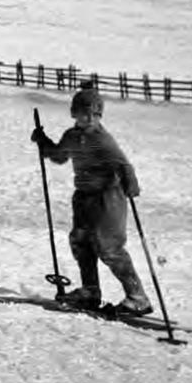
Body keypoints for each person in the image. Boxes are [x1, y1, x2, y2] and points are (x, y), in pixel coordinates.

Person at [31, 87, 151, 314]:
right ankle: (90, 291)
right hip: (84, 196)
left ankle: (138, 297)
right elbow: (59, 156)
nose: (89, 119)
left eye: (94, 115)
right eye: (84, 114)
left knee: (108, 247)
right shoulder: (72, 136)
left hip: (108, 196)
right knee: (81, 241)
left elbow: (122, 163)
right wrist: (43, 142)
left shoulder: (101, 138)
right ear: (74, 113)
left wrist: (130, 182)